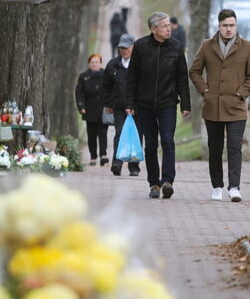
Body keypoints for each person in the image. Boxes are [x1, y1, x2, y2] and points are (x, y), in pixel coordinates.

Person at [189, 9, 250, 202]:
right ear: (219, 26)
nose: (229, 29)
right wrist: (205, 90)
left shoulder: (247, 46)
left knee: (234, 147)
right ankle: (217, 186)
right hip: (213, 107)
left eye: (232, 25)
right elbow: (194, 71)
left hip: (236, 107)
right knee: (215, 148)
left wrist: (242, 93)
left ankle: (234, 187)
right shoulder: (206, 46)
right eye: (225, 25)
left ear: (236, 26)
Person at [126, 12, 191, 199]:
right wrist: (130, 102)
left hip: (168, 103)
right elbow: (132, 77)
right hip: (144, 104)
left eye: (169, 25)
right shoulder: (140, 46)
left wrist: (185, 104)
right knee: (150, 145)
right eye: (164, 26)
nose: (169, 28)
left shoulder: (177, 47)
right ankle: (154, 183)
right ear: (153, 29)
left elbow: (182, 79)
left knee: (168, 141)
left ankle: (168, 181)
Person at [102, 33, 143, 176]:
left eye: (126, 48)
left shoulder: (140, 63)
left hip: (137, 108)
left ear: (133, 47)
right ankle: (117, 163)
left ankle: (134, 167)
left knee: (136, 136)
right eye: (121, 48)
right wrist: (108, 103)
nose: (123, 51)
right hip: (119, 107)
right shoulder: (113, 64)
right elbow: (106, 85)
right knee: (119, 134)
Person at [75, 54, 110, 167]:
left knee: (103, 133)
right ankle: (93, 156)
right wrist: (81, 107)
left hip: (103, 109)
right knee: (91, 135)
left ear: (100, 63)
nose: (94, 64)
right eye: (92, 62)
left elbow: (111, 90)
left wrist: (110, 105)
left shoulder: (106, 75)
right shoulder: (83, 76)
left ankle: (103, 155)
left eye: (97, 62)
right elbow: (79, 93)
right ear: (89, 64)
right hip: (89, 109)